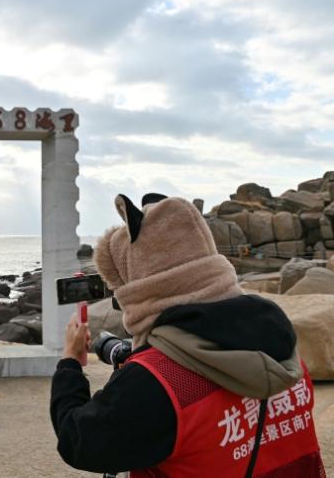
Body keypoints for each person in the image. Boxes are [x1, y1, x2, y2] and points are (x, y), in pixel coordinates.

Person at [51, 193, 325, 477]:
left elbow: (78, 440)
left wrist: (70, 363)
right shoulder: (285, 351)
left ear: (140, 288)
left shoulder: (158, 381)